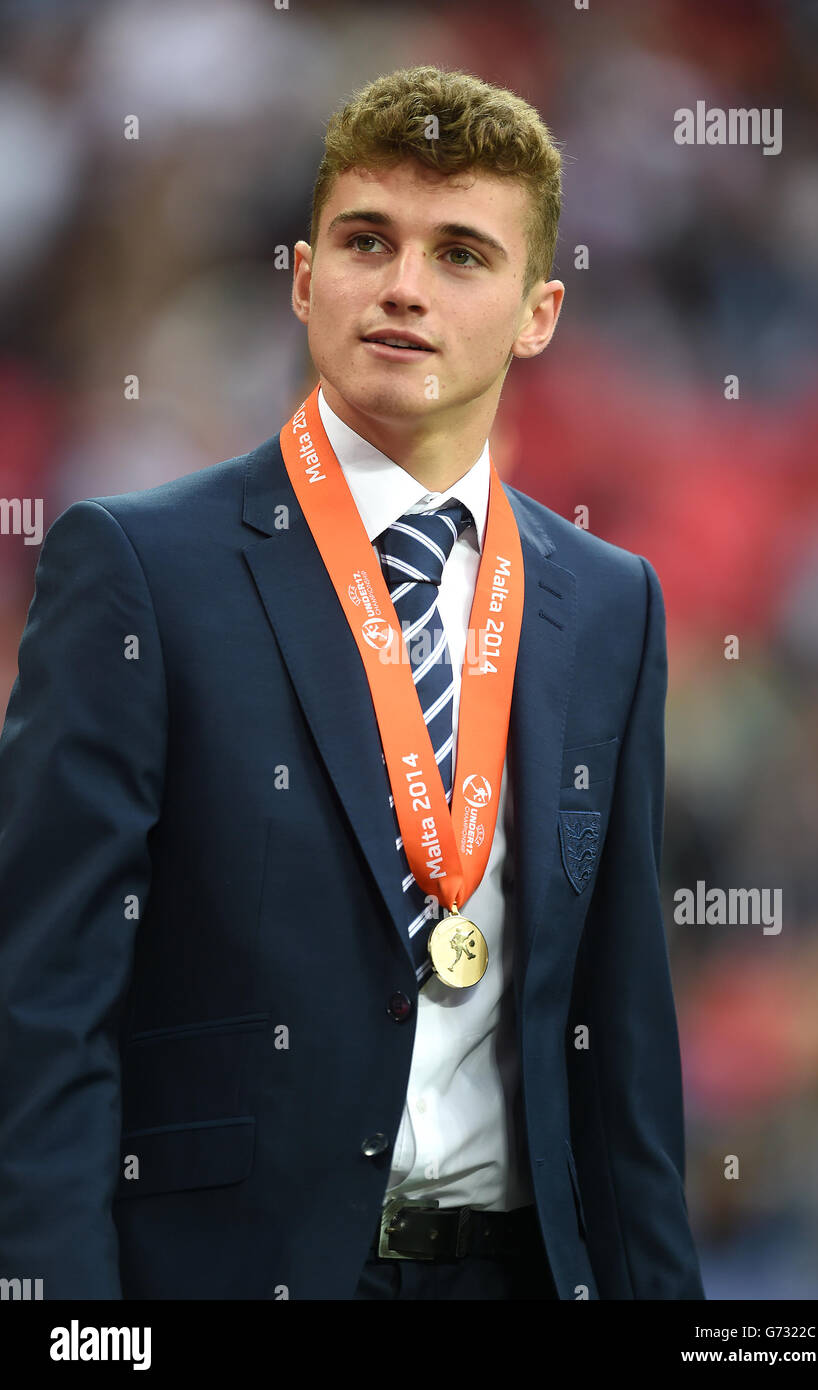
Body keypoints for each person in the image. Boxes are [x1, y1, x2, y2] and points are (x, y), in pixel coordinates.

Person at [0, 64, 705, 1300]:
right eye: (366, 239)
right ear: (301, 276)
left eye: (461, 255)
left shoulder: (607, 603)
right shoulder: (139, 569)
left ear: (538, 312)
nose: (401, 288)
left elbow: (622, 1040)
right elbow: (42, 1007)